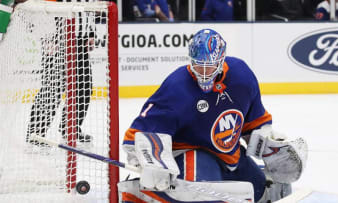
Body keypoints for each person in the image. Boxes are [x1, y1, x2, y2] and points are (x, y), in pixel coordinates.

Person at [120, 29, 308, 202]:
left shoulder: (242, 76)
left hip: (229, 157)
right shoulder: (177, 87)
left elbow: (254, 123)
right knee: (204, 196)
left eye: (209, 66)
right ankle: (142, 193)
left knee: (263, 193)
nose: (203, 73)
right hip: (192, 153)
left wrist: (269, 146)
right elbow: (136, 134)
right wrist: (154, 163)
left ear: (221, 61)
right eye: (198, 65)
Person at [26, 0, 94, 146]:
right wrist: (49, 37)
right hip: (58, 40)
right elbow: (48, 8)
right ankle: (35, 133)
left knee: (84, 88)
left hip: (80, 41)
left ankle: (70, 128)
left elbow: (88, 7)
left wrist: (90, 32)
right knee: (52, 89)